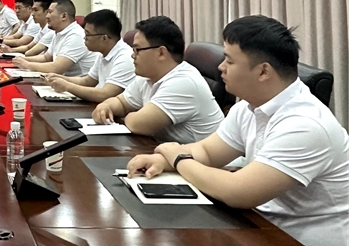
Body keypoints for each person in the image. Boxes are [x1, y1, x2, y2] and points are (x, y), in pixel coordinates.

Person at [126, 16, 348, 246]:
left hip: (296, 237)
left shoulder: (305, 124)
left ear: (263, 72)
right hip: (256, 223)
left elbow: (238, 192)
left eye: (229, 61)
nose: (220, 67)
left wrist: (178, 158)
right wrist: (162, 161)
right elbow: (208, 152)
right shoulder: (249, 106)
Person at [92, 16, 223, 143]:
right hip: (165, 149)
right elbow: (121, 102)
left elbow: (139, 125)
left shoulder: (184, 82)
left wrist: (127, 115)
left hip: (201, 157)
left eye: (137, 49)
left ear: (161, 52)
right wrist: (105, 106)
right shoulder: (148, 76)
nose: (132, 55)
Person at [45, 9, 135, 103]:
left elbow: (104, 95)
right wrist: (60, 78)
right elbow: (87, 81)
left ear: (104, 38)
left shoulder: (125, 58)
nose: (84, 38)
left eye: (87, 34)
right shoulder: (104, 53)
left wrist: (67, 86)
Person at [12, 0, 97, 76]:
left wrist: (27, 64)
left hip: (76, 85)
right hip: (62, 81)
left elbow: (56, 68)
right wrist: (21, 60)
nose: (47, 16)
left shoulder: (76, 36)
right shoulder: (59, 32)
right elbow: (46, 57)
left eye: (50, 12)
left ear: (64, 16)